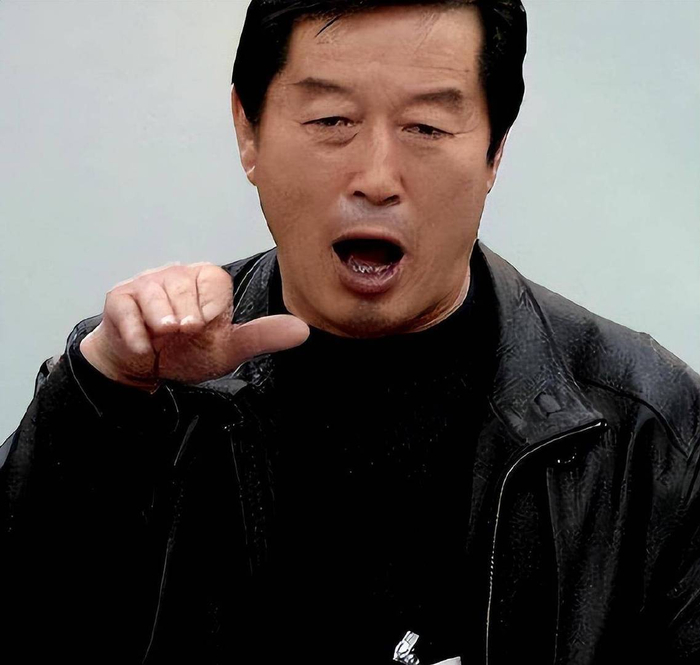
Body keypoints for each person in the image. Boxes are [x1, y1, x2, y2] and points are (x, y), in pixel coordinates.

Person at [2, 1, 699, 663]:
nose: (376, 178)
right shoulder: (132, 386)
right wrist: (103, 397)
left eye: (427, 127)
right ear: (248, 131)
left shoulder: (651, 433)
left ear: (494, 152)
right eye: (332, 119)